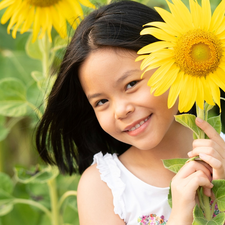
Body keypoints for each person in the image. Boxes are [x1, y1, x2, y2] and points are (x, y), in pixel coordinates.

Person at [35, 1, 225, 224]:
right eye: (102, 101)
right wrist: (181, 216)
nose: (121, 110)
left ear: (173, 64)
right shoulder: (102, 189)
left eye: (131, 84)